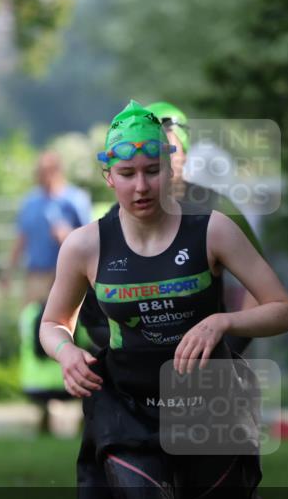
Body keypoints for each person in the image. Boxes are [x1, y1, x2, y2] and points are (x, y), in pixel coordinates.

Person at [40, 101, 288, 499]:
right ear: (107, 174)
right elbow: (51, 324)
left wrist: (223, 320)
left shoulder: (214, 231)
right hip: (128, 413)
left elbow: (283, 309)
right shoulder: (85, 245)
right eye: (128, 173)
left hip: (206, 409)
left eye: (153, 170)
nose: (142, 185)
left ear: (171, 167)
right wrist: (65, 354)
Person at [78, 101, 264, 356]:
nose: (155, 157)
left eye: (166, 151)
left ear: (183, 152)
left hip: (205, 356)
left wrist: (228, 343)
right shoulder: (116, 219)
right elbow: (89, 314)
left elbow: (262, 290)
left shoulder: (217, 207)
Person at [2, 151, 92, 434]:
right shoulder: (30, 203)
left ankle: (82, 406)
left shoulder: (75, 200)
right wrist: (9, 271)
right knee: (36, 336)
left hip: (70, 276)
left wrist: (67, 236)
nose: (40, 177)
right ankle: (43, 405)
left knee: (75, 334)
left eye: (45, 172)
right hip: (37, 276)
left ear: (56, 171)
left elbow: (90, 237)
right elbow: (22, 238)